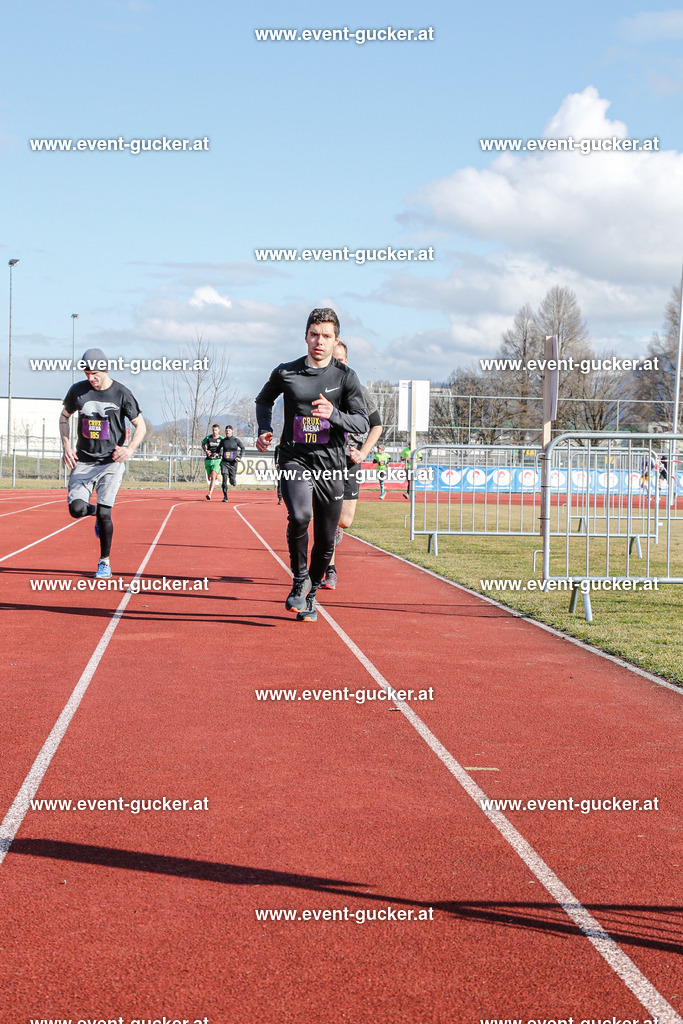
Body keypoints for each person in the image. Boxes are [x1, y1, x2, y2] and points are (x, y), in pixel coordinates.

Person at [255, 308, 369, 622]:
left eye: (327, 336)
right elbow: (263, 400)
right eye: (314, 334)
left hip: (332, 465)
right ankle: (298, 579)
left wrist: (334, 414)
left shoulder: (345, 377)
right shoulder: (286, 372)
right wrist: (264, 428)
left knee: (327, 537)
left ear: (336, 341)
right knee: (300, 515)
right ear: (306, 336)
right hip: (295, 458)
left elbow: (361, 422)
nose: (320, 341)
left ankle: (311, 592)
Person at [60, 347, 146, 579]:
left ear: (106, 369)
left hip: (111, 462)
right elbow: (63, 418)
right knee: (76, 510)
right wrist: (66, 446)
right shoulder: (77, 391)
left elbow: (141, 425)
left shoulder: (121, 393)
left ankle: (104, 562)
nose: (91, 378)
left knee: (106, 515)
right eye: (87, 373)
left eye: (95, 374)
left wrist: (129, 450)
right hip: (85, 461)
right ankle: (95, 512)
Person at [320, 340, 382, 590]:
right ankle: (330, 570)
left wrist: (364, 452)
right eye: (333, 359)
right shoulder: (319, 386)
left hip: (351, 460)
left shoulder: (359, 390)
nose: (337, 363)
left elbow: (377, 425)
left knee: (345, 520)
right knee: (328, 517)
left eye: (341, 359)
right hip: (326, 460)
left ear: (347, 360)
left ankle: (334, 532)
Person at [220, 424, 245, 502]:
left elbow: (243, 448)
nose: (227, 432)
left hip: (233, 463)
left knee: (232, 480)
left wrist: (239, 457)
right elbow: (218, 449)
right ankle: (225, 496)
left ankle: (233, 480)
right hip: (224, 462)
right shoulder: (223, 441)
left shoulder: (236, 440)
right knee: (224, 478)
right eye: (226, 431)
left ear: (232, 431)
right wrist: (217, 453)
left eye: (229, 430)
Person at [202, 424, 223, 500]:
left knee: (213, 476)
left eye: (216, 430)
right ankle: (215, 476)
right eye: (213, 430)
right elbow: (202, 444)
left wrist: (220, 453)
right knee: (210, 478)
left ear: (219, 430)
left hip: (217, 460)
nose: (214, 432)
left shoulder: (221, 439)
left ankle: (209, 493)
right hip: (208, 460)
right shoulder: (208, 438)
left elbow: (226, 446)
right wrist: (206, 451)